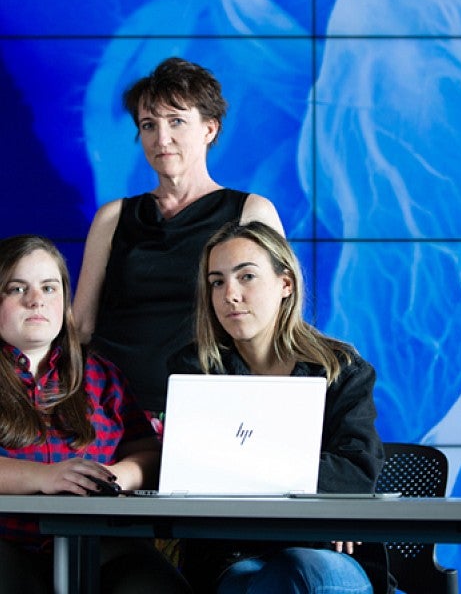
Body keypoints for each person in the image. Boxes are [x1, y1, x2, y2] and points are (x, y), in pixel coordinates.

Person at [169, 221, 394, 594]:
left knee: (305, 568)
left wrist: (238, 463)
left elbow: (354, 471)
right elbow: (194, 472)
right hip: (232, 556)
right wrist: (308, 481)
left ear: (285, 284)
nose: (231, 295)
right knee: (284, 575)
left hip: (326, 548)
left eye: (247, 277)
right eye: (217, 282)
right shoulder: (194, 371)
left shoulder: (342, 370)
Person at [73, 56, 284, 417]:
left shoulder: (251, 212)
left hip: (209, 407)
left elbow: (276, 326)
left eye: (176, 122)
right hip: (108, 409)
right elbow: (82, 326)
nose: (162, 138)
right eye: (149, 125)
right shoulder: (113, 217)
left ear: (210, 129)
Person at [0, 235, 192, 594]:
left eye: (49, 287)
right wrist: (46, 477)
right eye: (16, 288)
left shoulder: (101, 375)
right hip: (9, 540)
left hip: (100, 541)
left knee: (156, 586)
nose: (36, 299)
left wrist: (116, 476)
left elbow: (149, 453)